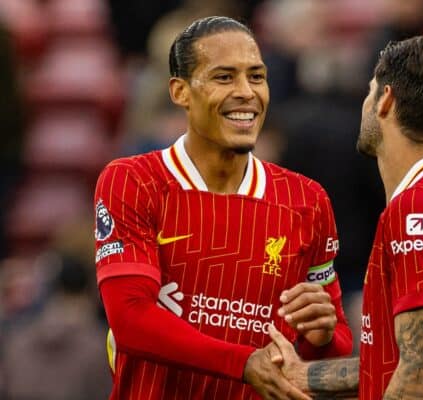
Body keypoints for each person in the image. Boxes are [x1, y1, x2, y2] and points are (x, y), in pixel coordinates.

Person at [93, 16, 352, 400]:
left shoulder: (307, 200)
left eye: (257, 76)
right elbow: (131, 319)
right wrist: (244, 363)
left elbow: (334, 344)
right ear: (180, 92)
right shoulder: (134, 181)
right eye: (224, 77)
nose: (247, 92)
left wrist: (324, 334)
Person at [269, 32, 423, 399]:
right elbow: (400, 357)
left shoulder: (418, 209)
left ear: (385, 100)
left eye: (370, 90)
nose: (365, 102)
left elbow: (421, 370)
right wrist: (305, 375)